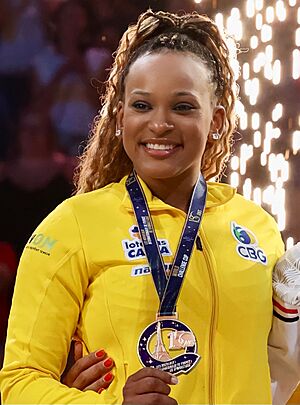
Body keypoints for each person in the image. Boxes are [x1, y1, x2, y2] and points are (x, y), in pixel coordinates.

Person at [0, 9, 285, 404]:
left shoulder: (259, 229)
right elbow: (19, 384)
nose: (159, 124)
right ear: (119, 118)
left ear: (216, 120)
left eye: (183, 107)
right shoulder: (73, 226)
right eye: (142, 106)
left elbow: (285, 373)